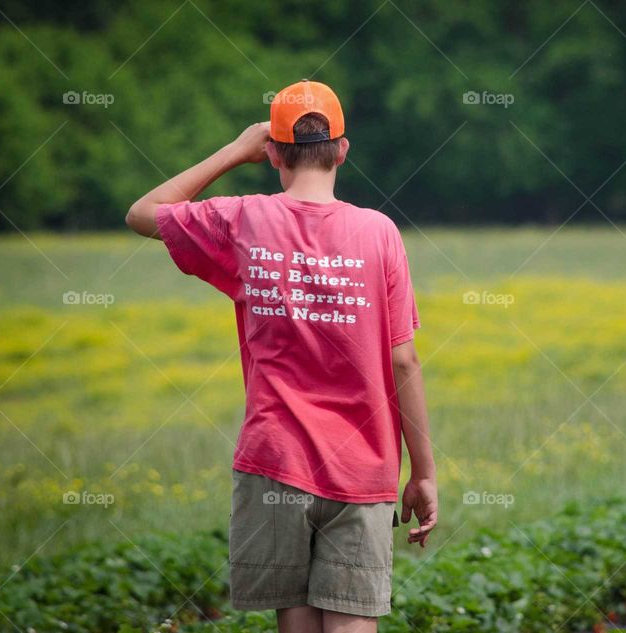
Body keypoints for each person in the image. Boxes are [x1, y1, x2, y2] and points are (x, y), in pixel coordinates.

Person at [125, 79, 438, 633]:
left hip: (276, 463)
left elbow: (143, 212)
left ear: (271, 154)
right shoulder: (380, 232)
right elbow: (404, 361)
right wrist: (424, 472)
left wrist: (232, 151)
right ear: (343, 150)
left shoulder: (242, 219)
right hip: (363, 469)